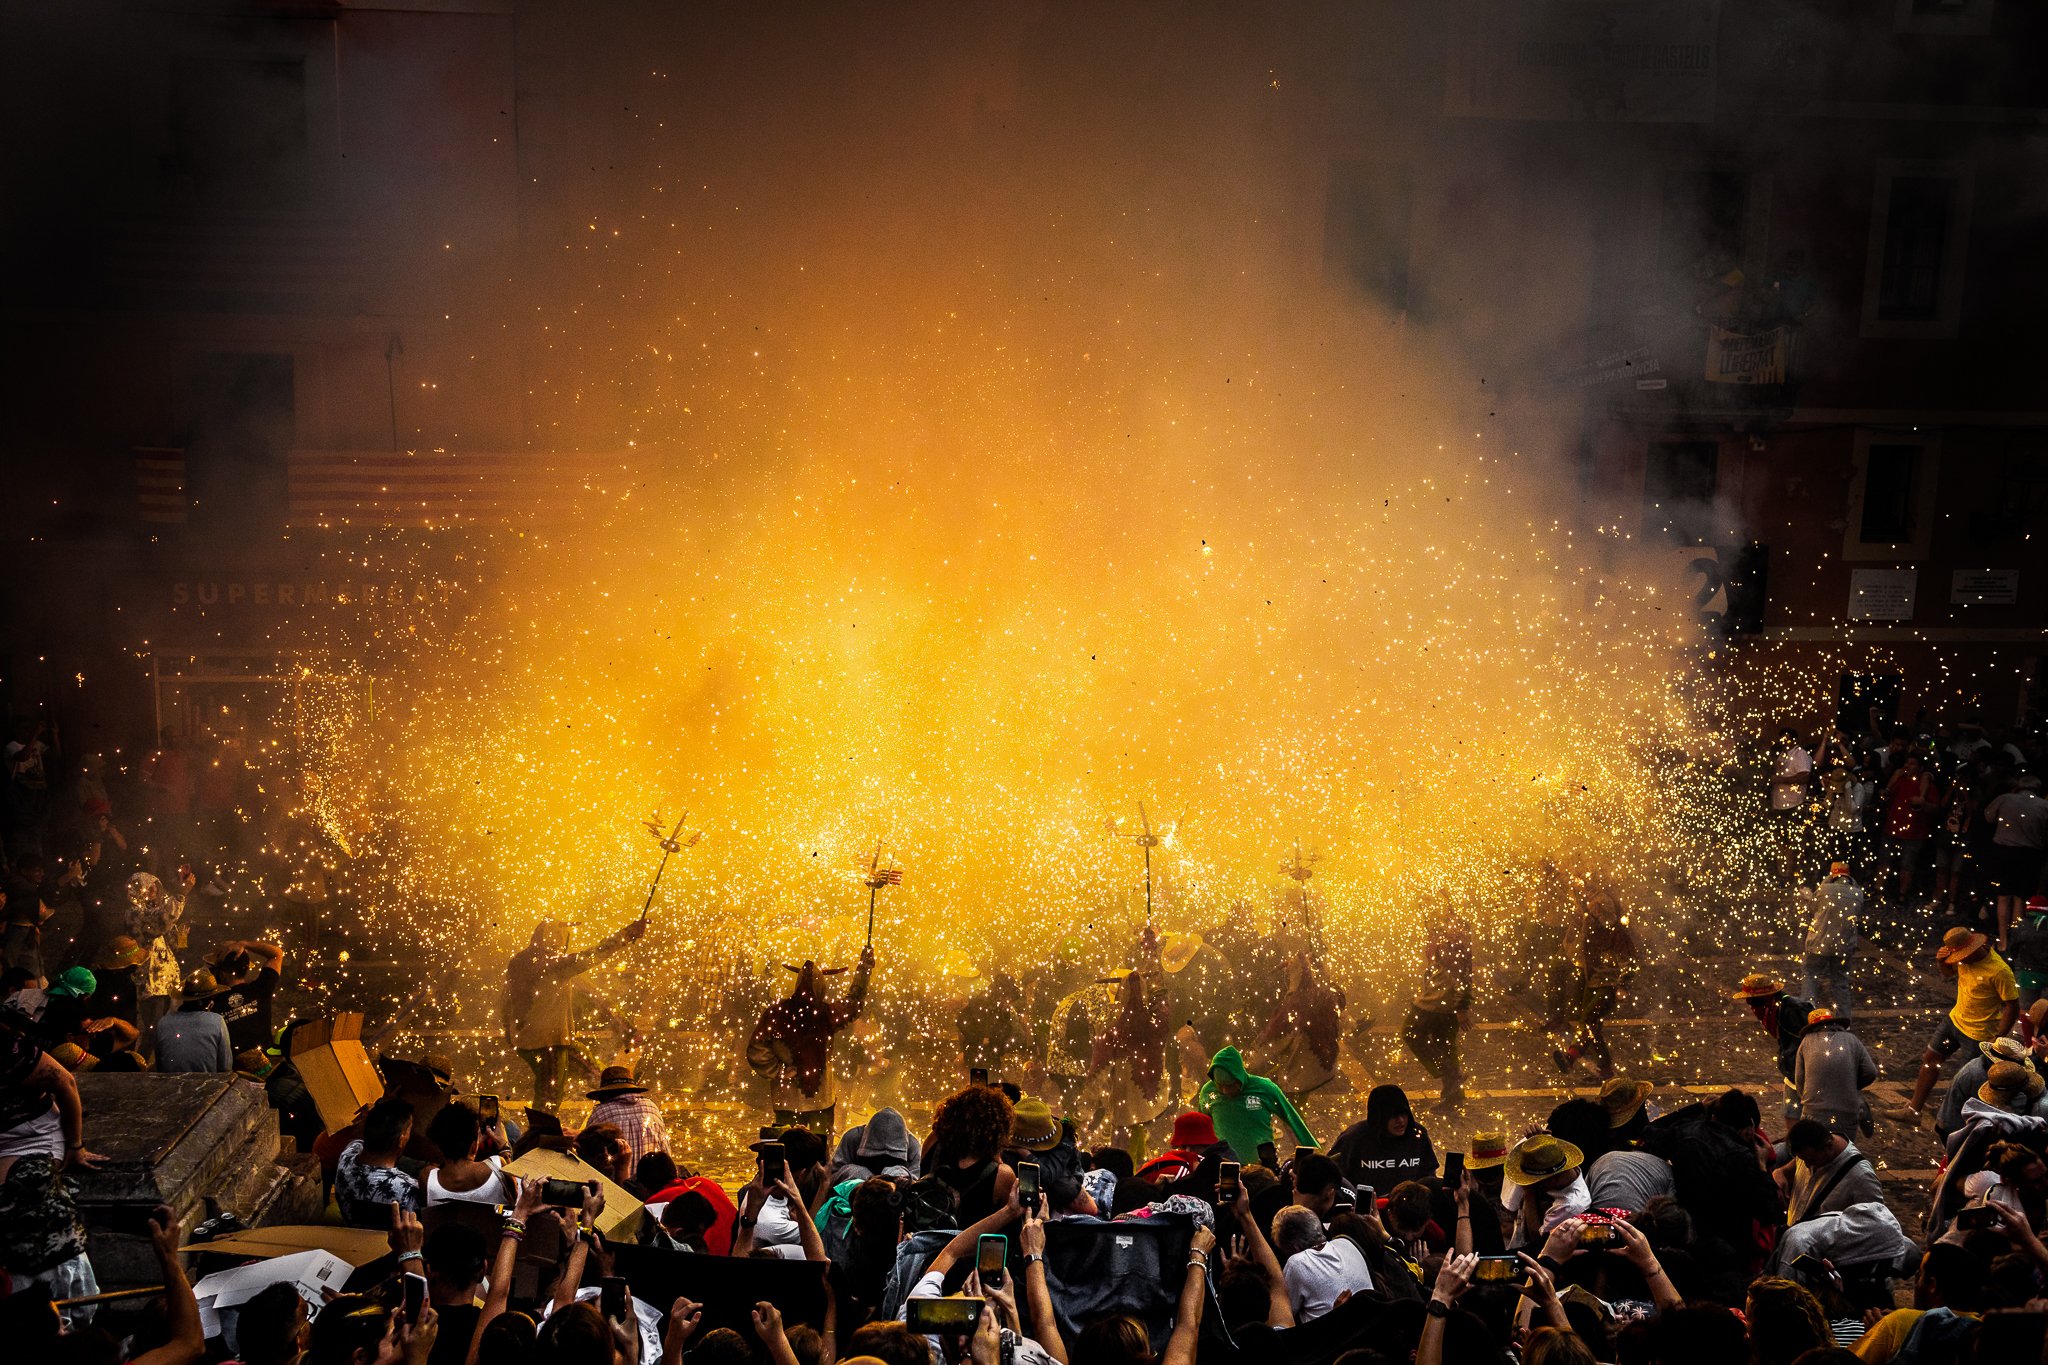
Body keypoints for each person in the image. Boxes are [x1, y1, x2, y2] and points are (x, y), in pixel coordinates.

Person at [500, 916, 646, 1109]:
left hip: (531, 1041)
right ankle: (541, 1129)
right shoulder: (554, 966)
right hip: (549, 1044)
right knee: (549, 1098)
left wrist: (510, 1033)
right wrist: (627, 934)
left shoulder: (520, 961)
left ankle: (617, 1086)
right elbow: (593, 956)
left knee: (586, 1063)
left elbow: (506, 1001)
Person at [746, 945, 874, 1133]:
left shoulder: (776, 1013)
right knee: (817, 1147)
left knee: (787, 1145)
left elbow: (756, 1049)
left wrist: (778, 1071)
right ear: (821, 986)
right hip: (818, 1102)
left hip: (789, 1101)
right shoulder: (825, 1014)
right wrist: (864, 970)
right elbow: (853, 1002)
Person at [1910, 926, 2021, 1121]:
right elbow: (1948, 973)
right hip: (1954, 1020)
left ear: (1973, 949)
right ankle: (1913, 1110)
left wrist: (1999, 1035)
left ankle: (1962, 1124)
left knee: (1969, 1081)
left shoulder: (1999, 970)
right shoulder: (1962, 959)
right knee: (1930, 1060)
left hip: (1979, 1034)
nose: (1959, 961)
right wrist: (1941, 961)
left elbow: (2012, 1006)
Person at [1551, 883, 1636, 1080]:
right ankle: (1579, 1060)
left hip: (1609, 986)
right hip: (1593, 982)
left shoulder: (1617, 933)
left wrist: (1623, 983)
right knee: (1588, 1025)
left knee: (1589, 1022)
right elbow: (1575, 953)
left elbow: (1629, 962)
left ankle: (1589, 1061)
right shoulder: (1590, 930)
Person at [1402, 901, 1473, 1111]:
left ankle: (1451, 1073)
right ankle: (1454, 1095)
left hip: (1438, 1003)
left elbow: (1463, 977)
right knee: (1445, 1045)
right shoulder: (1447, 936)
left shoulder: (1454, 941)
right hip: (1441, 1000)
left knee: (1411, 1032)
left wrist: (1461, 1008)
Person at [1194, 1045, 1317, 1163]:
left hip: (1261, 1169)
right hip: (1223, 1167)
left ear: (1239, 1076)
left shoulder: (1265, 1088)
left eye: (1230, 1085)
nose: (1225, 1091)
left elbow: (1292, 1119)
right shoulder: (1208, 1092)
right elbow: (1201, 1130)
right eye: (1220, 1085)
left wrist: (1315, 1155)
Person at [1732, 972, 1817, 1123]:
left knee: (1803, 1117)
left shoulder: (1793, 1009)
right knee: (1791, 1115)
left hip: (1806, 1070)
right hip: (1794, 1070)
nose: (1751, 1006)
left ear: (1767, 997)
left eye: (1754, 1001)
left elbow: (1812, 1039)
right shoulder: (1774, 1009)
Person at [1270, 1203, 1372, 1323]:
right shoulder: (1346, 1242)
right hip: (1374, 1324)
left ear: (1295, 1248)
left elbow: (1281, 1314)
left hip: (1337, 1333)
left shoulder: (1297, 1263)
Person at [335, 1096, 425, 1225]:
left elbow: (357, 1140)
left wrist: (376, 1117)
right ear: (401, 1139)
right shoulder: (409, 1190)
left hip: (352, 1229)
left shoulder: (346, 1157)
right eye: (409, 1130)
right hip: (390, 1239)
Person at [1329, 1084, 1437, 1190]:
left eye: (1404, 1114)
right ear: (1379, 1117)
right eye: (1393, 1116)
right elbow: (1330, 1176)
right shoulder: (1354, 1139)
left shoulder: (1418, 1135)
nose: (1401, 1120)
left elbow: (1429, 1175)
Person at [1774, 1119, 1882, 1225]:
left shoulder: (1862, 1176)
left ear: (1829, 1146)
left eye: (1811, 1160)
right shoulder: (1810, 1151)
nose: (1807, 1165)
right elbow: (1786, 1170)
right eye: (1802, 1159)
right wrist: (1779, 1173)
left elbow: (1874, 1224)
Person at [1984, 776, 2048, 950]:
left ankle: (2003, 941)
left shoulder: (2005, 798)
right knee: (2020, 898)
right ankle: (2015, 940)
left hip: (2003, 852)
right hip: (2029, 855)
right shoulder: (2044, 805)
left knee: (2003, 897)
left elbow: (1988, 817)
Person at [1792, 1009, 1877, 1138]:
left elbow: (1799, 1082)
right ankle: (1860, 1106)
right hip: (1847, 1112)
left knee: (1815, 1148)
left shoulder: (1806, 1042)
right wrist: (1849, 1086)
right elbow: (1871, 1072)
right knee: (1844, 1148)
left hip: (1813, 1113)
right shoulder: (1852, 1040)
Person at [1501, 1134, 1588, 1248]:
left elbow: (1538, 1239)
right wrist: (1536, 1139)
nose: (1534, 1183)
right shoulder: (1553, 1160)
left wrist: (1529, 1193)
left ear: (1553, 1178)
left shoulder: (1569, 1207)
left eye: (1535, 1181)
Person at [1801, 863, 1862, 1016]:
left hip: (1818, 944)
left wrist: (1813, 892)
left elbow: (1812, 909)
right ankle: (1844, 1020)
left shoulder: (1824, 889)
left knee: (1811, 975)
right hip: (1844, 946)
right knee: (1840, 982)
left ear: (1832, 875)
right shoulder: (1858, 893)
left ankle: (1806, 1015)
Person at [206, 938, 284, 1054]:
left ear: (222, 972)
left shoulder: (210, 1003)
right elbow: (276, 954)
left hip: (232, 1065)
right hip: (267, 1061)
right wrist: (245, 944)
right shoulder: (261, 989)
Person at [586, 1064, 670, 1165]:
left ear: (605, 1093)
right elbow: (666, 1154)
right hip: (651, 1175)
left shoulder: (600, 1113)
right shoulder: (651, 1108)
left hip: (615, 1175)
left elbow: (587, 1158)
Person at [153, 969, 231, 1073]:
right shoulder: (216, 1021)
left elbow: (160, 1065)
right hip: (206, 1083)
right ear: (207, 1001)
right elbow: (225, 1067)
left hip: (170, 1082)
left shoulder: (163, 1022)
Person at [2005, 895, 2048, 1009]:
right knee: (2044, 1011)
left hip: (2027, 975)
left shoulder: (2021, 926)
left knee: (2026, 1009)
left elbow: (2012, 950)